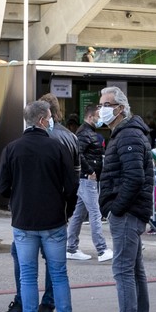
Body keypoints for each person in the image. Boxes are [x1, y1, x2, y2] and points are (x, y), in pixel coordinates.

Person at [0, 99, 78, 312]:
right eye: (50, 116)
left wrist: (19, 195)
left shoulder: (12, 149)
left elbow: (0, 186)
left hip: (24, 221)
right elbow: (72, 186)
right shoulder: (57, 147)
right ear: (43, 120)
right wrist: (67, 210)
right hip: (54, 220)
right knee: (59, 275)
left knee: (28, 277)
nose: (52, 120)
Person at [94, 85, 152, 312]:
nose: (101, 109)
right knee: (134, 269)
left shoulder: (128, 135)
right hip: (130, 210)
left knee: (123, 270)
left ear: (119, 108)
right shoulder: (125, 133)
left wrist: (116, 208)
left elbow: (134, 177)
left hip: (128, 212)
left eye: (105, 104)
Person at [67, 102, 108, 261]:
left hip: (86, 178)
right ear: (90, 117)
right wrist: (90, 171)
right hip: (87, 179)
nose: (100, 119)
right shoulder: (85, 133)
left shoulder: (87, 131)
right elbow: (78, 154)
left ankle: (71, 248)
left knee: (79, 214)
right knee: (95, 213)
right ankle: (102, 249)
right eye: (98, 116)